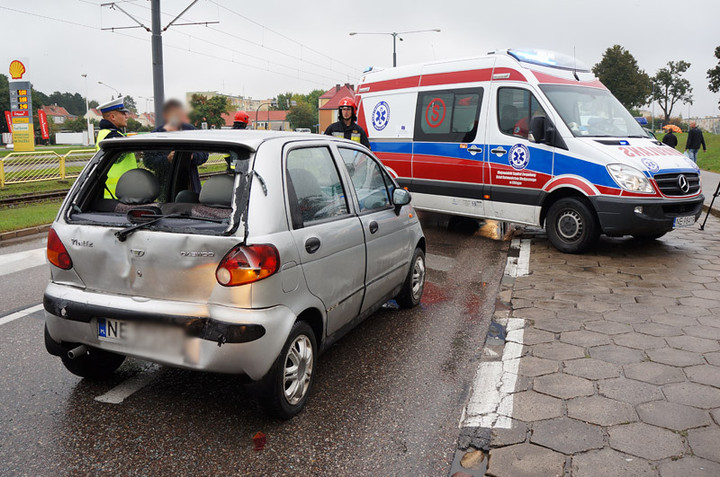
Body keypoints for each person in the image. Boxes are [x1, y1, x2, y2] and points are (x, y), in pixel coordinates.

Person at [145, 99, 209, 194]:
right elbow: (148, 161)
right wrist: (167, 159)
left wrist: (192, 157)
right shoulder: (156, 135)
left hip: (191, 186)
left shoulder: (191, 131)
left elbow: (204, 154)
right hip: (165, 188)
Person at [96, 97, 137, 198]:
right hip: (116, 195)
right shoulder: (112, 136)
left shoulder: (111, 133)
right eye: (123, 113)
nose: (126, 116)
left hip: (119, 193)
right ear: (113, 117)